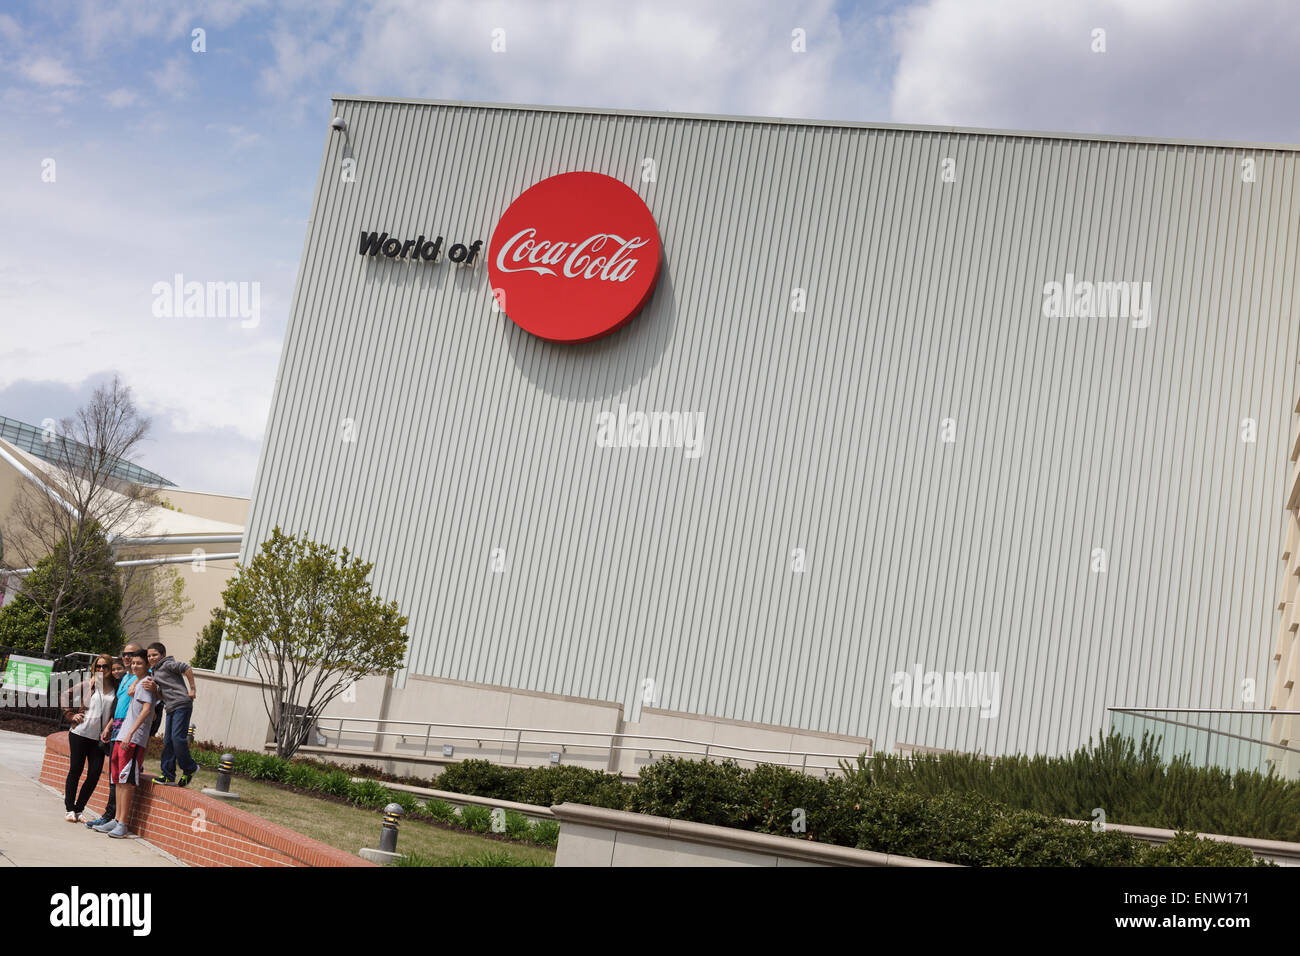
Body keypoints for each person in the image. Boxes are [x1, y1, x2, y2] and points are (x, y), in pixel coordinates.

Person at [94, 650, 154, 839]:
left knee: (126, 782)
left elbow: (147, 709)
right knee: (118, 780)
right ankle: (116, 819)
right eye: (133, 663)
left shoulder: (147, 684)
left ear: (147, 666)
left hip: (133, 739)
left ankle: (123, 823)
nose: (134, 666)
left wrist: (130, 733)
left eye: (139, 663)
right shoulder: (135, 682)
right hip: (121, 736)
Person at [84, 645, 139, 829]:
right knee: (114, 777)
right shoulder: (123, 679)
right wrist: (108, 726)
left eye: (131, 655)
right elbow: (114, 706)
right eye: (124, 654)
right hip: (115, 731)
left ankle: (116, 819)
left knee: (122, 779)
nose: (126, 657)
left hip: (130, 735)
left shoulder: (141, 680)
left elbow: (150, 710)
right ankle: (111, 817)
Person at [60, 653, 117, 823]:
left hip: (99, 739)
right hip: (79, 733)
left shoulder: (116, 687)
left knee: (94, 774)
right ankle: (70, 809)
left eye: (104, 666)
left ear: (110, 668)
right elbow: (64, 695)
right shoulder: (89, 684)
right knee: (75, 770)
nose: (101, 669)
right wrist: (70, 715)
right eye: (98, 666)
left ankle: (79, 809)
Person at [139, 642, 198, 786]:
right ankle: (168, 775)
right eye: (149, 656)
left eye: (155, 655)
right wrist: (155, 690)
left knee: (177, 739)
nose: (152, 658)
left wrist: (192, 689)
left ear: (163, 655)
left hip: (182, 705)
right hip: (170, 707)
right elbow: (161, 695)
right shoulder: (155, 672)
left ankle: (190, 767)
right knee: (168, 742)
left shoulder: (167, 664)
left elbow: (187, 668)